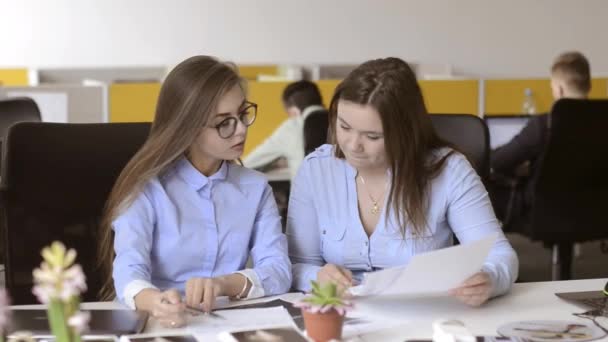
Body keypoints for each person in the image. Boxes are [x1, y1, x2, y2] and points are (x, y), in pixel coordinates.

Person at [287, 57, 518, 307]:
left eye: (372, 136)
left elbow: (500, 255)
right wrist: (317, 276)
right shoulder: (316, 169)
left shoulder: (449, 171)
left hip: (423, 315)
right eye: (344, 126)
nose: (353, 145)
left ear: (405, 132)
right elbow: (296, 264)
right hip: (341, 316)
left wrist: (489, 279)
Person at [98, 56, 291, 327]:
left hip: (228, 322)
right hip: (161, 322)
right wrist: (157, 303)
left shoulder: (255, 187)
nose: (241, 130)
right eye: (224, 122)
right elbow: (129, 272)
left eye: (243, 114)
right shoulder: (147, 188)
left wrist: (223, 284)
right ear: (187, 127)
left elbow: (279, 270)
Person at [490, 51, 591, 225]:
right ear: (588, 85)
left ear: (559, 89)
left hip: (542, 212)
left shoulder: (545, 124)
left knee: (480, 186)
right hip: (594, 208)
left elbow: (498, 162)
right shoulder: (602, 121)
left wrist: (525, 169)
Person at [243, 80, 328, 179]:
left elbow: (249, 164)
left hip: (306, 193)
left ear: (293, 111)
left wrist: (274, 164)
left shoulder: (291, 127)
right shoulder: (340, 121)